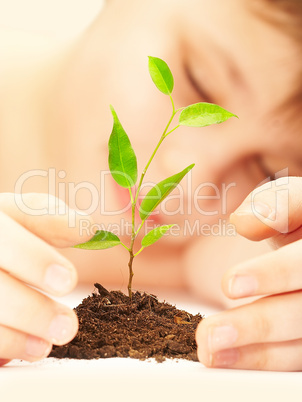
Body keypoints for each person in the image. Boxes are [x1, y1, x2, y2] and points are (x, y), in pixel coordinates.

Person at [0, 0, 301, 370]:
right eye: (199, 81)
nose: (191, 180)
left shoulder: (222, 251)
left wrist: (265, 259)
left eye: (270, 171)